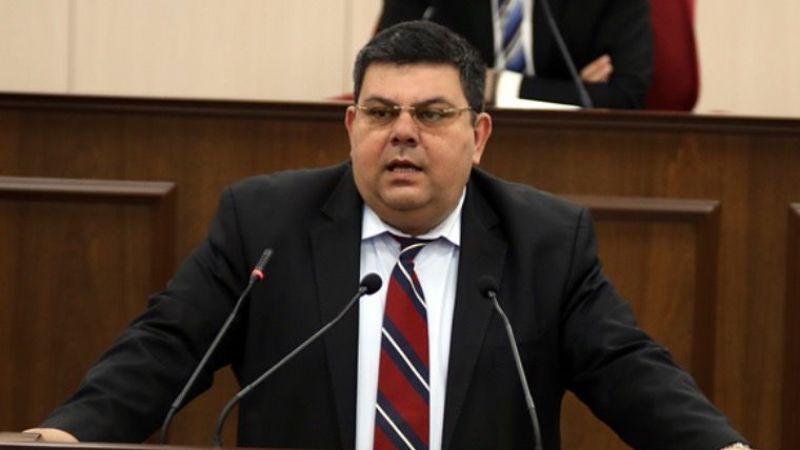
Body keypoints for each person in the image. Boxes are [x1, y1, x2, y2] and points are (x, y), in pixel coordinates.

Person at [27, 21, 750, 450]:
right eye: (380, 113)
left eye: (432, 114)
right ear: (352, 128)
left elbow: (630, 370)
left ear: (479, 135)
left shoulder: (544, 241)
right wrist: (69, 432)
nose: (403, 132)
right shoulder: (266, 224)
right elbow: (166, 346)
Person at [378, 0, 653, 109]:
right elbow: (387, 75)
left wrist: (496, 86)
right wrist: (569, 92)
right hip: (452, 141)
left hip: (570, 149)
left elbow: (626, 96)